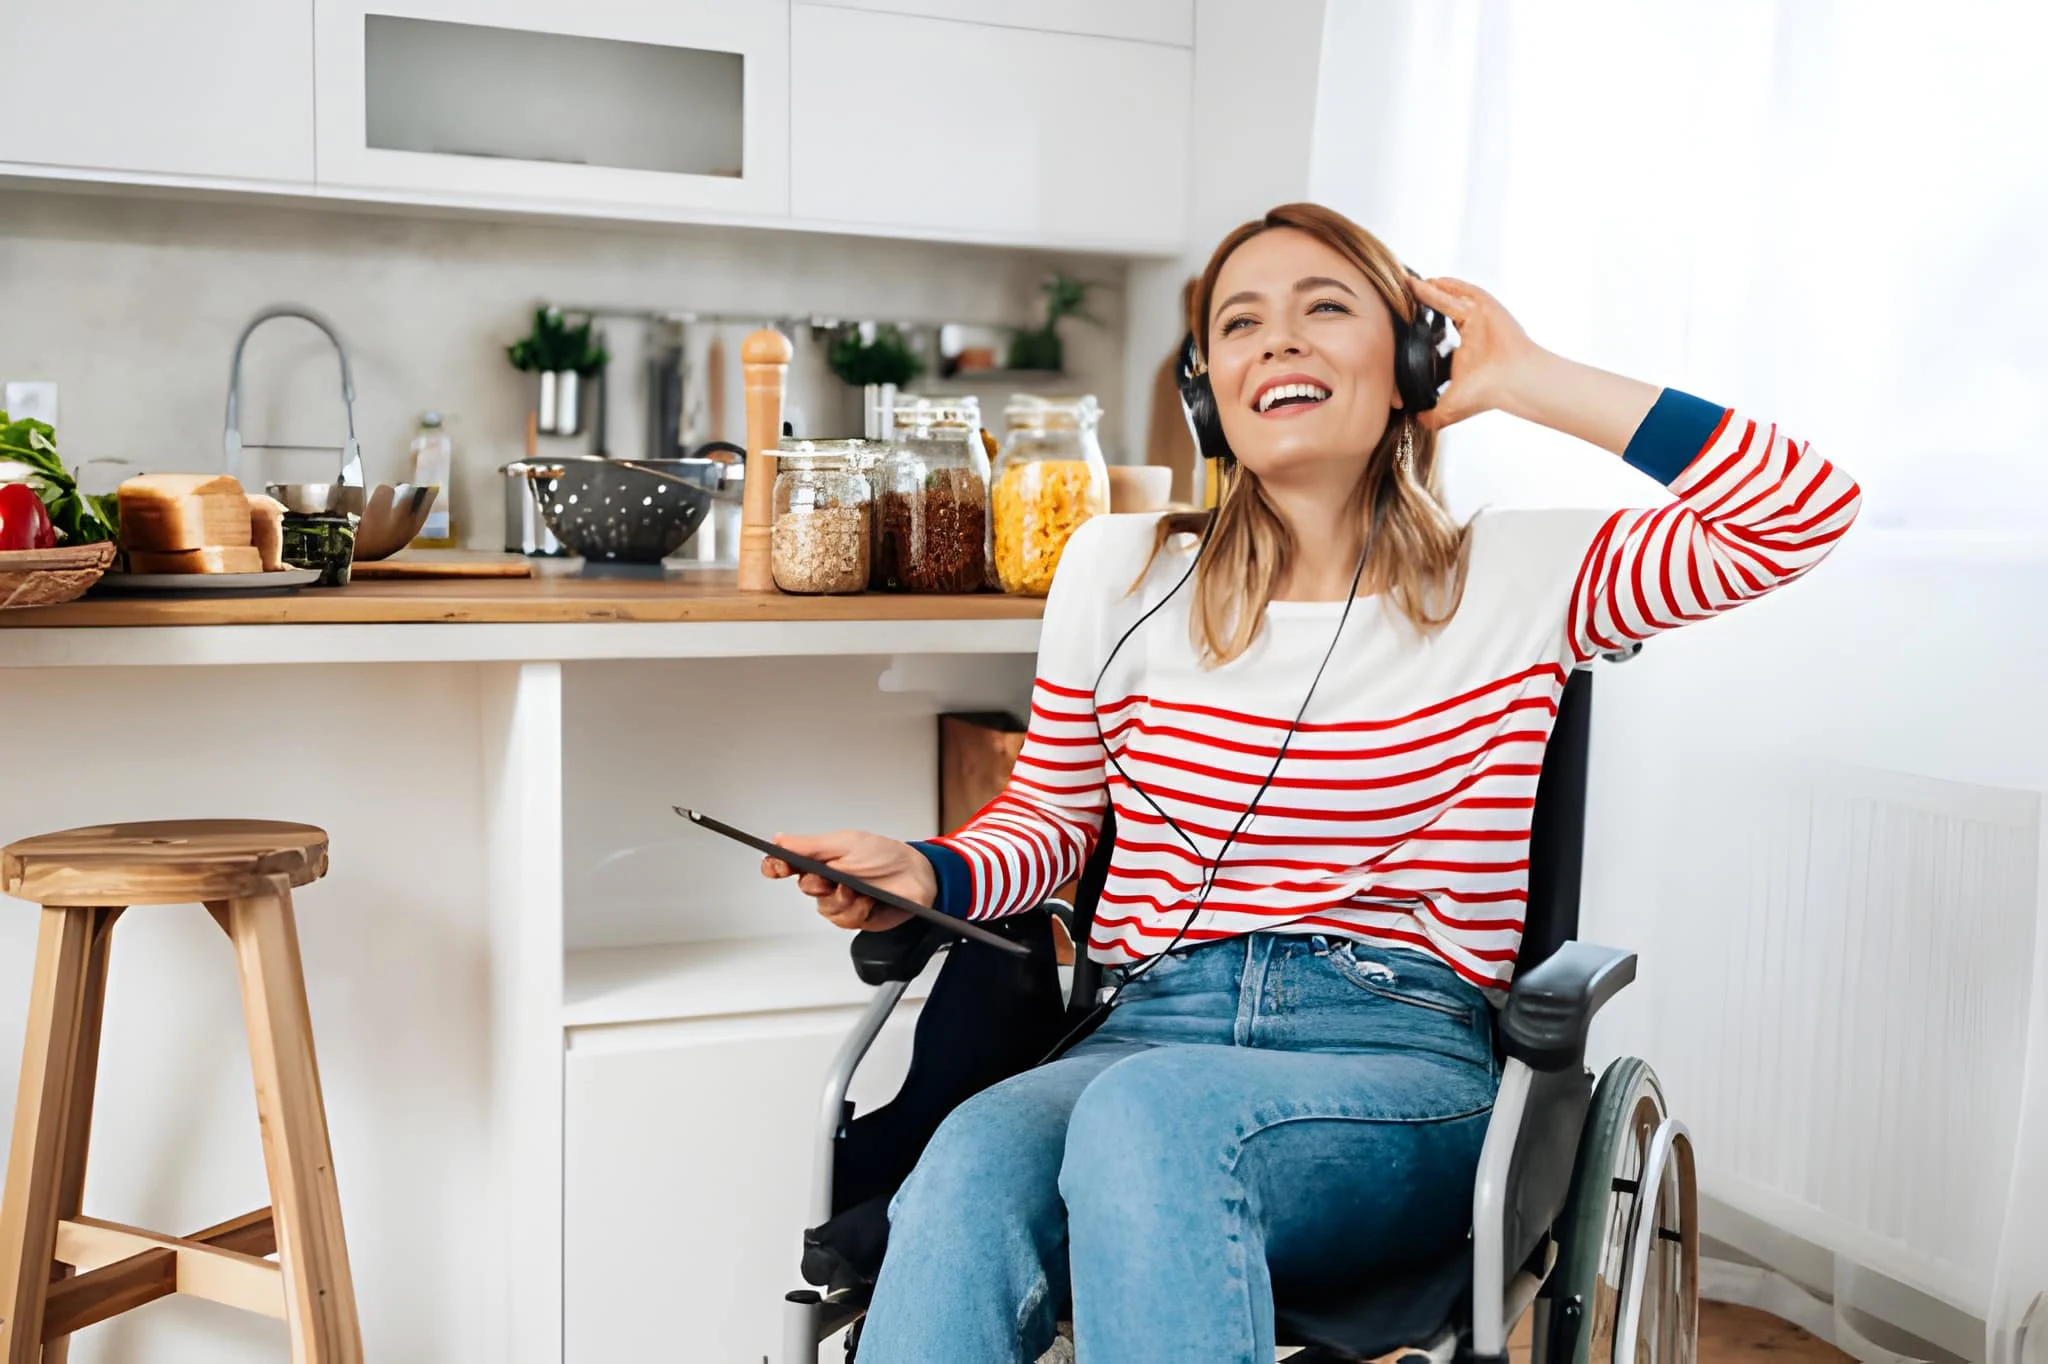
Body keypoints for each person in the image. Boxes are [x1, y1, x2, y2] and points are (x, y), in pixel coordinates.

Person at [764, 202, 1859, 1363]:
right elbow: (1050, 818)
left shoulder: (1523, 574)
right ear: (1208, 392)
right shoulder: (1117, 567)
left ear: (1411, 365)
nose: (1275, 341)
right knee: (970, 1162)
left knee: (1148, 1121)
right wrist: (925, 868)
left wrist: (1524, 374)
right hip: (1145, 1024)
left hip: (1394, 1049)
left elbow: (1798, 506)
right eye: (1239, 323)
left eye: (1323, 309)